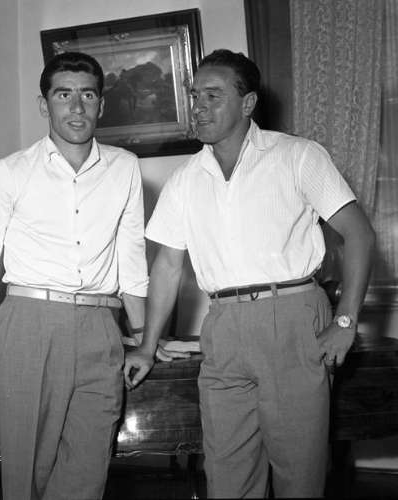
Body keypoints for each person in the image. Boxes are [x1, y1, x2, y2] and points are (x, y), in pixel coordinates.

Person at [124, 49, 375, 498]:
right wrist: (146, 345)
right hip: (222, 327)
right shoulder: (185, 178)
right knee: (227, 474)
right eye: (194, 96)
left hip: (292, 318)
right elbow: (166, 266)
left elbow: (358, 233)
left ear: (248, 103)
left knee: (299, 474)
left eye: (213, 96)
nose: (199, 107)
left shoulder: (297, 155)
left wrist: (345, 320)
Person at [0, 51, 149, 500]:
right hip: (29, 324)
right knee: (28, 471)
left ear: (102, 103)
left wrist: (145, 338)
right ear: (44, 104)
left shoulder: (125, 167)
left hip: (101, 326)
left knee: (87, 469)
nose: (77, 107)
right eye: (63, 95)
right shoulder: (8, 173)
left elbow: (132, 261)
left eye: (88, 95)